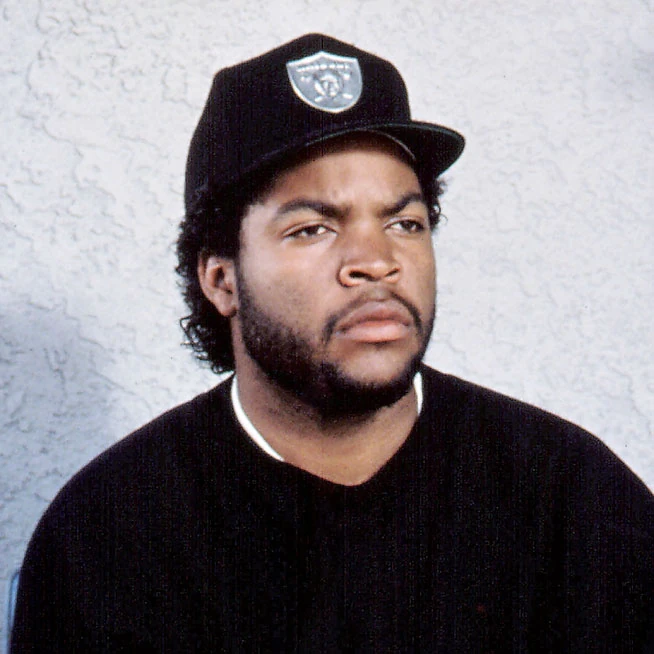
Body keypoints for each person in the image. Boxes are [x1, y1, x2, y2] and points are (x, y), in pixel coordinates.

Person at [11, 33, 654, 652]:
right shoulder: (110, 531)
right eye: (313, 229)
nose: (375, 261)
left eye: (405, 222)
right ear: (221, 279)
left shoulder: (573, 496)